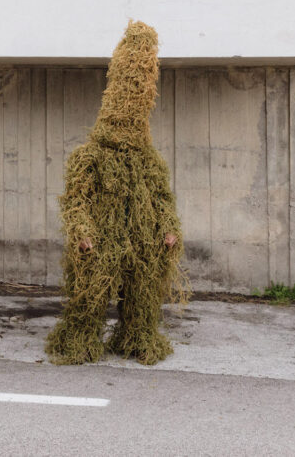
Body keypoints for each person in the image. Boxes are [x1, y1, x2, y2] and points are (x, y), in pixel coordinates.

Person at [45, 21, 186, 365]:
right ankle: (79, 339)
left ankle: (137, 337)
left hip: (142, 241)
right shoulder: (90, 156)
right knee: (91, 294)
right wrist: (82, 232)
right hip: (102, 240)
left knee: (143, 295)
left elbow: (162, 198)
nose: (125, 131)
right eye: (121, 122)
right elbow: (76, 201)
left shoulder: (148, 159)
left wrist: (168, 229)